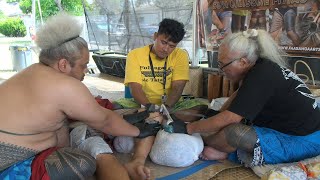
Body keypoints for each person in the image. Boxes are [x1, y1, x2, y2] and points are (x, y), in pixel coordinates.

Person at [0, 13, 160, 179]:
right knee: (81, 163)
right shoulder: (64, 85)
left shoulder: (32, 70)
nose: (86, 71)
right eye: (83, 66)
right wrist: (139, 131)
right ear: (63, 64)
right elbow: (105, 120)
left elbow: (88, 115)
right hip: (8, 162)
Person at [168, 29, 320, 167]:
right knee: (210, 114)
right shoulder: (258, 67)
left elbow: (231, 118)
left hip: (304, 139)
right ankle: (210, 142)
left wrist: (189, 129)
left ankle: (220, 150)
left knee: (235, 133)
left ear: (242, 62)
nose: (221, 70)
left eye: (222, 64)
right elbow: (235, 100)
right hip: (289, 127)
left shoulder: (262, 74)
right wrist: (214, 115)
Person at [123, 18, 207, 179]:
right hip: (143, 102)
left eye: (172, 46)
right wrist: (149, 107)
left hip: (170, 104)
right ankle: (156, 129)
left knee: (202, 108)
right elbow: (135, 87)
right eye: (163, 42)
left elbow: (178, 86)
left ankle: (155, 122)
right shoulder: (135, 55)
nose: (167, 49)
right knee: (114, 108)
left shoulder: (180, 55)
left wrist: (166, 107)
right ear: (155, 36)